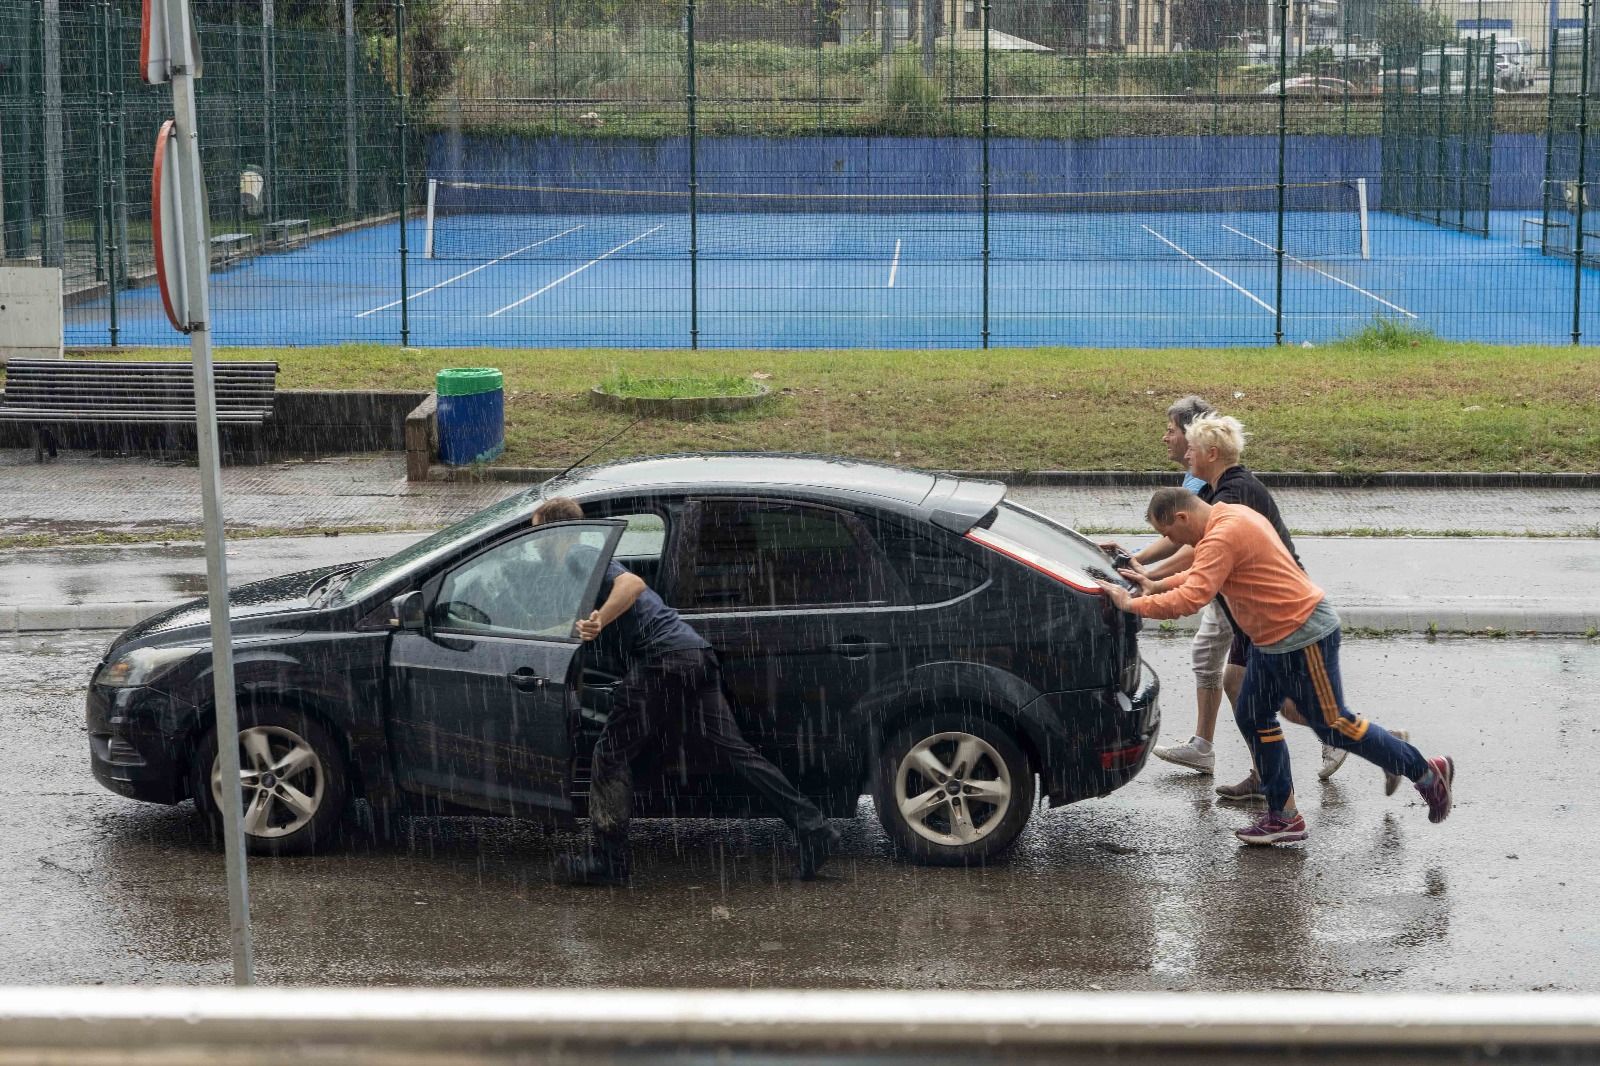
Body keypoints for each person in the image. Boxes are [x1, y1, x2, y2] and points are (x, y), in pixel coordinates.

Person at [1098, 488, 1455, 845]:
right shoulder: (1228, 516)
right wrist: (1155, 584)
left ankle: (1426, 773)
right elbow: (1203, 575)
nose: (1169, 541)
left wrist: (1131, 605)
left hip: (1303, 636)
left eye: (1168, 533)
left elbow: (1193, 597)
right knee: (1253, 714)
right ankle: (1284, 816)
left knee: (1334, 725)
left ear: (1181, 517)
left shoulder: (1222, 535)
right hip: (1272, 642)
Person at [533, 497, 841, 886]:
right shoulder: (584, 562)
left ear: (556, 532)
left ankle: (607, 862)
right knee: (735, 752)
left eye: (537, 532)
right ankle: (813, 828)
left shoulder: (580, 554)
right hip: (692, 653)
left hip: (663, 661)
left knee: (609, 754)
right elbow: (584, 620)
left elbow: (631, 583)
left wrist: (599, 620)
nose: (535, 543)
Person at [1127, 414, 1350, 799]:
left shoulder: (1232, 494)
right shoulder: (1221, 488)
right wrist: (1148, 573)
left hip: (1274, 611)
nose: (1185, 455)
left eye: (1191, 448)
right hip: (1258, 610)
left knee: (1279, 701)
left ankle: (1349, 739)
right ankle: (1274, 774)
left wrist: (1146, 588)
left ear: (1210, 453)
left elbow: (1198, 561)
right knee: (1246, 691)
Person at [1100, 395, 1233, 777]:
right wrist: (1141, 564)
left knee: (1254, 684)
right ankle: (1204, 747)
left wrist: (1143, 589)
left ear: (1195, 440)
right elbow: (1182, 539)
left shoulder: (1211, 485)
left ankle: (1339, 734)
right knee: (1211, 661)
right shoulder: (1198, 478)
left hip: (1237, 596)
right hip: (1225, 592)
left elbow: (1192, 550)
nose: (1165, 438)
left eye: (1172, 431)